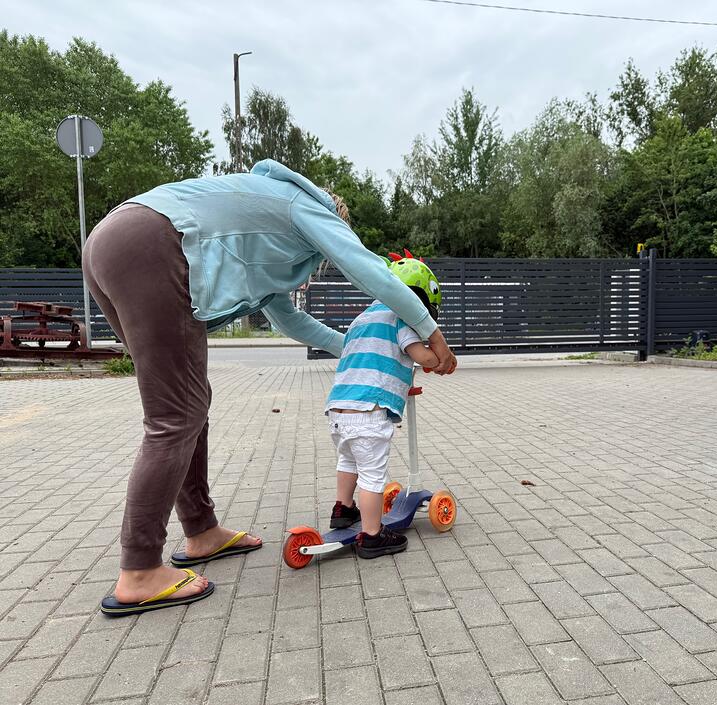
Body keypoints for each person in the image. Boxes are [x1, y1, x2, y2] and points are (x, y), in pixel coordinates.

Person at [85, 161, 457, 616]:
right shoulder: (305, 206)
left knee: (187, 403)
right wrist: (429, 330)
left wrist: (356, 349)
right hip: (152, 247)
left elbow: (287, 317)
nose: (317, 263)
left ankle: (201, 531)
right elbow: (369, 271)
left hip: (113, 242)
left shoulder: (261, 228)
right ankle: (140, 570)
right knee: (175, 415)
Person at [325, 252, 444, 558]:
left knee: (348, 461)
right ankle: (372, 535)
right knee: (372, 475)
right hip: (370, 410)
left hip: (338, 409)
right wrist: (436, 360)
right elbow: (419, 354)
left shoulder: (362, 317)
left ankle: (343, 509)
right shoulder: (401, 315)